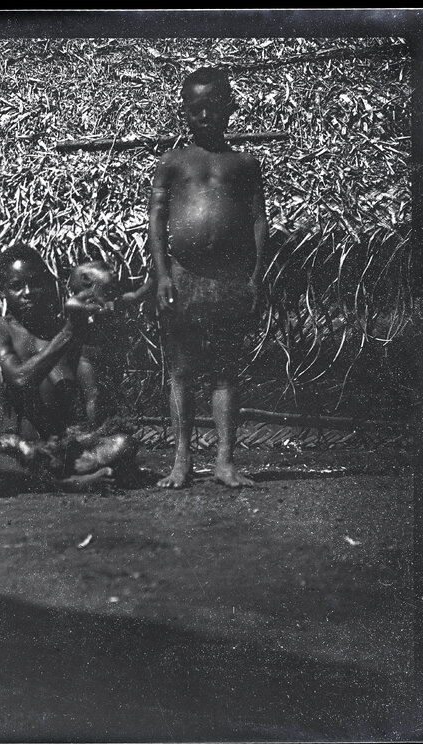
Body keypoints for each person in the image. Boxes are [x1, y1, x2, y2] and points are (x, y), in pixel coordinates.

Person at [149, 67, 269, 489]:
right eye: (195, 109)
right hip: (184, 278)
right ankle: (181, 460)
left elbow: (258, 221)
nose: (204, 116)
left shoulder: (244, 164)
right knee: (181, 371)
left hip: (230, 279)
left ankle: (224, 460)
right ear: (185, 113)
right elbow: (158, 222)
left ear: (230, 108)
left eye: (213, 107)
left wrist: (255, 276)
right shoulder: (173, 162)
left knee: (225, 371)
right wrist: (163, 276)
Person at [0, 244, 138, 490]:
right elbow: (20, 379)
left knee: (122, 443)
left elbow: (92, 393)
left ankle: (58, 478)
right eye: (16, 286)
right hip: (18, 449)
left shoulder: (62, 327)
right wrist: (68, 333)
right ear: (3, 290)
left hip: (62, 448)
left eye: (34, 283)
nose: (28, 292)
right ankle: (67, 484)